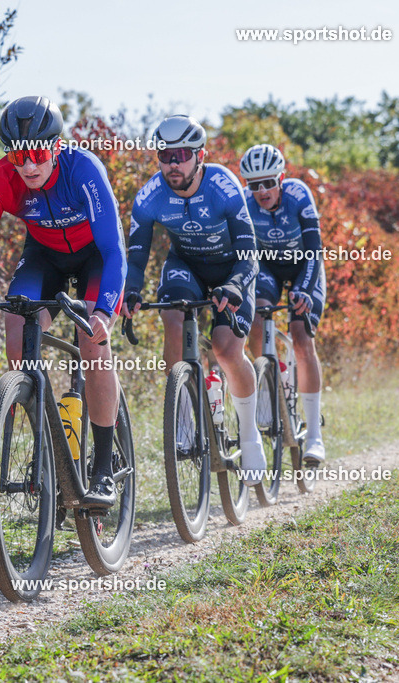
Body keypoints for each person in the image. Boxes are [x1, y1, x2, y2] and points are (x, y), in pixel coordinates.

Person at [0, 96, 127, 508]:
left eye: (37, 154)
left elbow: (113, 250)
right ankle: (52, 447)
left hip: (96, 257)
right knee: (17, 331)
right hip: (44, 255)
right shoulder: (2, 179)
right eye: (17, 156)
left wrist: (104, 311)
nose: (28, 166)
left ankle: (103, 469)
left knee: (92, 341)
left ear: (56, 146)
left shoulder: (83, 169)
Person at [123, 115, 266, 485]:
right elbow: (136, 256)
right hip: (186, 265)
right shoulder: (150, 195)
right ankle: (185, 420)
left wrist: (236, 285)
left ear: (200, 156)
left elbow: (249, 253)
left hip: (232, 269)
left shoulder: (224, 186)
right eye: (165, 155)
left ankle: (249, 433)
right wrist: (131, 290)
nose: (173, 163)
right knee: (172, 319)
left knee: (226, 350)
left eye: (182, 155)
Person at [239, 143, 325, 464]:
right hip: (269, 269)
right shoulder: (245, 203)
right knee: (257, 320)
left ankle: (314, 435)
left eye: (268, 183)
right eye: (254, 185)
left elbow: (314, 250)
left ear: (281, 179)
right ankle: (270, 384)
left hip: (304, 266)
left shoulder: (298, 195)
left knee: (301, 337)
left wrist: (304, 290)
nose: (262, 191)